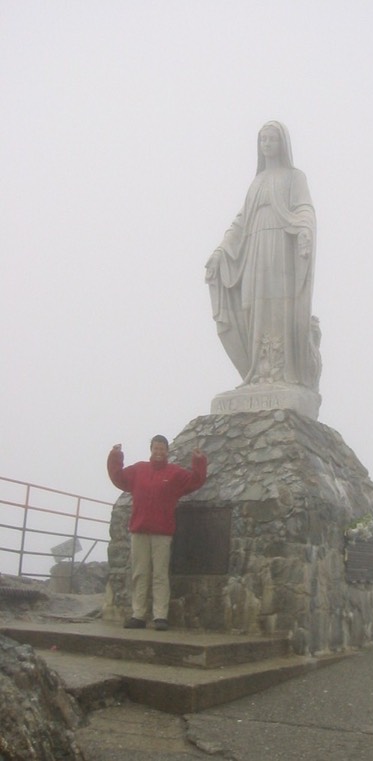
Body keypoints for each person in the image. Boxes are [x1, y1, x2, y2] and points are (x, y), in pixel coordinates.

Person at [205, 120, 321, 391]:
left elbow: (305, 210)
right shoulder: (256, 182)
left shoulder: (294, 177)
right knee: (252, 307)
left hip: (281, 249)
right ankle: (258, 371)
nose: (267, 144)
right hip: (255, 249)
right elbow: (240, 222)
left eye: (272, 139)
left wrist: (304, 230)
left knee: (279, 308)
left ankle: (283, 372)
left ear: (282, 144)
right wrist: (221, 250)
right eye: (263, 140)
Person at [107, 435, 207, 631]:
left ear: (167, 451)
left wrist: (198, 461)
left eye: (162, 449)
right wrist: (115, 456)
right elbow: (118, 478)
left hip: (162, 532)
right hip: (140, 530)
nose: (159, 452)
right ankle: (138, 615)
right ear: (151, 449)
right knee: (140, 574)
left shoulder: (175, 473)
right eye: (156, 448)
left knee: (160, 575)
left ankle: (160, 616)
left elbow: (196, 481)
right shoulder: (139, 470)